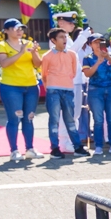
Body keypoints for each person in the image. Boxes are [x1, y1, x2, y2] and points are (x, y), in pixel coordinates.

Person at [39, 27, 85, 157]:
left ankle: (78, 147)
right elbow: (44, 75)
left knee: (70, 119)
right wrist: (50, 86)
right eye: (61, 37)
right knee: (54, 119)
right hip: (53, 90)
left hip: (68, 90)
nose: (64, 39)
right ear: (53, 40)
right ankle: (55, 148)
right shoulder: (47, 56)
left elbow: (73, 71)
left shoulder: (72, 54)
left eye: (65, 37)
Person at [54, 11, 96, 151]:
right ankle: (64, 141)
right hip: (66, 80)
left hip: (76, 79)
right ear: (60, 23)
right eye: (69, 22)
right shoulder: (55, 37)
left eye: (73, 23)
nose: (73, 25)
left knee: (75, 113)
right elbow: (68, 53)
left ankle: (73, 140)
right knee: (67, 112)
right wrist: (83, 37)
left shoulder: (68, 38)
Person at [81, 36, 111, 155]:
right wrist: (98, 62)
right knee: (98, 120)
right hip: (95, 90)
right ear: (90, 44)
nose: (98, 44)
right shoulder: (87, 58)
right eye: (95, 42)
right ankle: (98, 146)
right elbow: (88, 74)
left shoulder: (109, 54)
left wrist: (108, 57)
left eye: (101, 42)